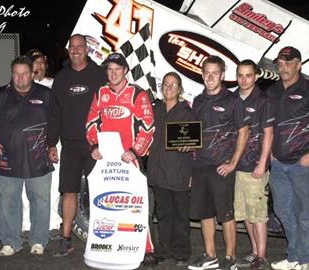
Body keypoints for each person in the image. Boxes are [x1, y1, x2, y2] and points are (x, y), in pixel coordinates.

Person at [0, 56, 53, 256]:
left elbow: (58, 120)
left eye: (24, 74)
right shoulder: (0, 95)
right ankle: (11, 242)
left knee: (40, 201)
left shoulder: (46, 94)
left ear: (32, 74)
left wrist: (52, 145)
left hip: (38, 159)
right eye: (16, 74)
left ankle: (38, 241)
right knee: (8, 202)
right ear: (12, 74)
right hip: (7, 159)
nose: (20, 78)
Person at [85, 52, 155, 260]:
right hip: (105, 159)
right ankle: (111, 244)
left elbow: (148, 127)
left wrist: (135, 150)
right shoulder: (100, 92)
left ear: (125, 70)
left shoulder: (137, 94)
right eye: (109, 69)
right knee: (106, 203)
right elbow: (90, 123)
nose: (113, 73)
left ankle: (147, 249)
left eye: (117, 69)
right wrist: (94, 146)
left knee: (136, 205)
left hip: (130, 158)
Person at [266, 46, 309, 270]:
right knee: (282, 210)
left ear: (299, 64)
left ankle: (307, 260)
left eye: (288, 62)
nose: (283, 67)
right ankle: (293, 256)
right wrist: (271, 155)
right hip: (279, 164)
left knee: (305, 213)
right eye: (280, 64)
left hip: (304, 163)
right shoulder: (272, 92)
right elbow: (268, 126)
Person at [47, 34, 107, 257]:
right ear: (68, 50)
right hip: (69, 145)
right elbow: (54, 114)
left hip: (96, 145)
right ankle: (65, 239)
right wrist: (51, 143)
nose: (75, 50)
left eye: (80, 46)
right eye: (72, 47)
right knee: (69, 192)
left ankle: (102, 238)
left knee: (98, 192)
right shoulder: (61, 78)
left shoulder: (101, 74)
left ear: (87, 49)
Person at [188, 55, 249, 270]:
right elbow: (192, 133)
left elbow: (244, 132)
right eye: (207, 73)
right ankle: (210, 255)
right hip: (200, 166)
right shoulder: (197, 100)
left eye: (215, 73)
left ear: (222, 75)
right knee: (205, 213)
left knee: (225, 215)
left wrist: (233, 162)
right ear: (202, 74)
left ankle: (230, 258)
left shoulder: (233, 101)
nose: (210, 77)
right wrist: (187, 146)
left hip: (222, 167)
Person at [147, 72, 194, 267]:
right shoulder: (153, 108)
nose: (169, 87)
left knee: (181, 215)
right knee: (163, 213)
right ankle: (164, 249)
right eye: (166, 84)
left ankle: (181, 252)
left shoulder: (187, 111)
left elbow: (195, 143)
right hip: (157, 172)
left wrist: (190, 146)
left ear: (180, 89)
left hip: (179, 172)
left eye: (173, 84)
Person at [233, 60, 274, 270]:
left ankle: (262, 256)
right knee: (245, 213)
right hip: (237, 165)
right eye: (240, 74)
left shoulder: (263, 100)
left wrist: (262, 163)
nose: (244, 79)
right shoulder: (233, 98)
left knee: (258, 214)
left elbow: (268, 134)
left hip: (254, 166)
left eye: (248, 75)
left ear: (256, 76)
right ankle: (255, 251)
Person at [21, 49, 61, 240]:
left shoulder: (55, 85)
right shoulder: (19, 86)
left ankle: (53, 223)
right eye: (34, 63)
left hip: (52, 140)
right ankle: (27, 225)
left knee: (53, 183)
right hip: (27, 142)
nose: (39, 66)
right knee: (25, 184)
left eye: (42, 63)